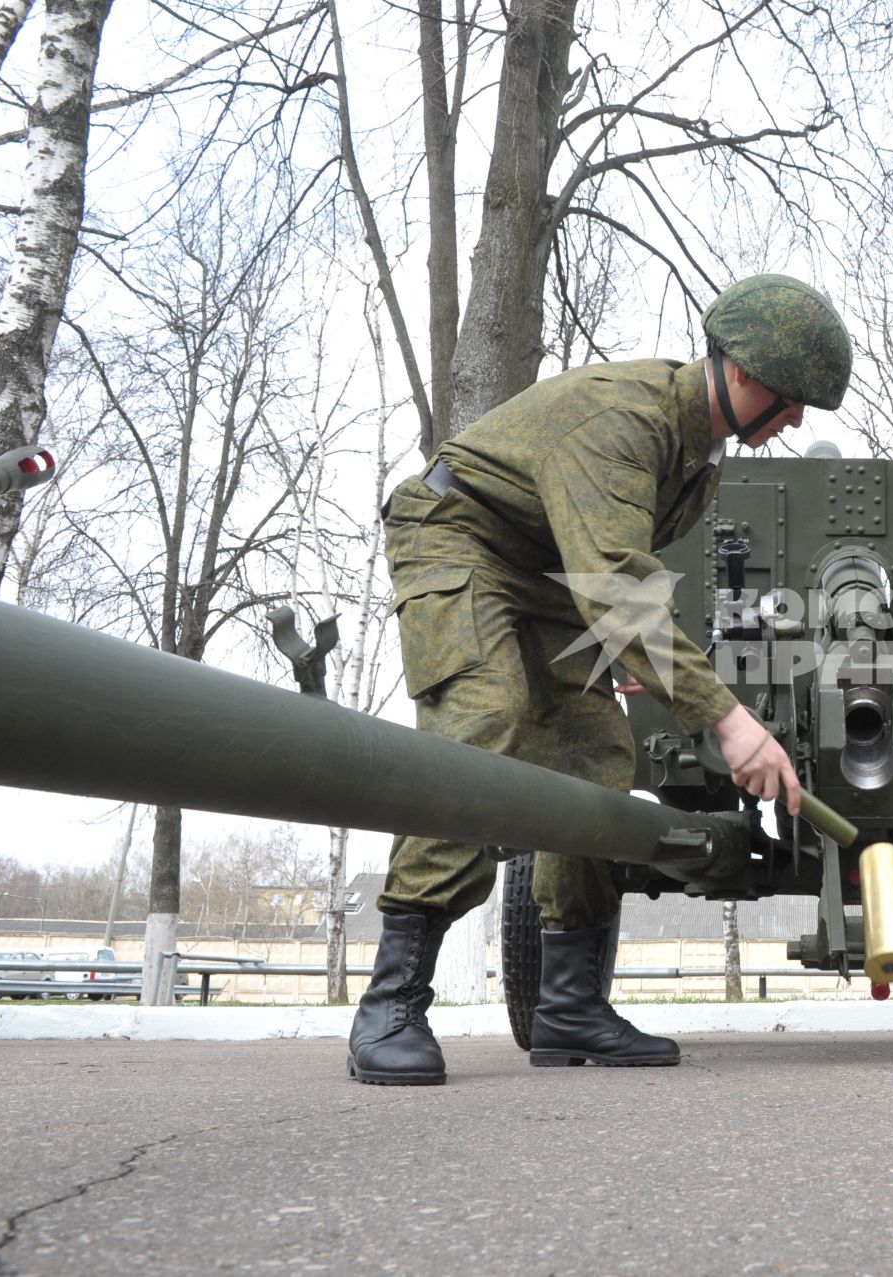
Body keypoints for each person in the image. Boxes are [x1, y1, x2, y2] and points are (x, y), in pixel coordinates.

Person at [348, 274, 853, 1085]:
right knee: (486, 723)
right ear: (748, 376)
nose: (794, 421)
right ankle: (392, 1001)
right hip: (457, 539)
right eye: (794, 401)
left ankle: (569, 1003)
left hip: (548, 576)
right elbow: (619, 582)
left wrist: (651, 661)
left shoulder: (698, 453)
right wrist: (727, 719)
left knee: (598, 761)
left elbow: (615, 571)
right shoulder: (622, 420)